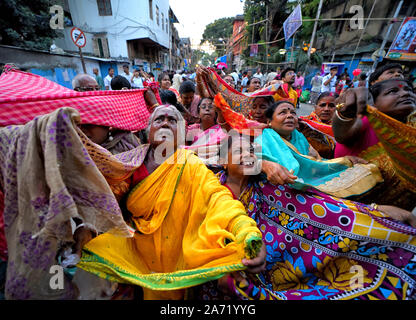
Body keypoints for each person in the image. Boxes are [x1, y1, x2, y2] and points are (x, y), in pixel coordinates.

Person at [76, 105, 265, 300]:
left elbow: (217, 197)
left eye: (172, 120)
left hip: (179, 265)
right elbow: (104, 205)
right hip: (132, 258)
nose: (165, 122)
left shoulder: (191, 164)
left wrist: (246, 230)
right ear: (147, 130)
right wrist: (87, 227)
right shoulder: (127, 163)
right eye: (159, 119)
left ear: (182, 133)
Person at [195, 134, 416, 300]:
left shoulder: (270, 187)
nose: (248, 156)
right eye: (239, 151)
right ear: (223, 161)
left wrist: (376, 213)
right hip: (224, 272)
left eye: (251, 151)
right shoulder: (209, 188)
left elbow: (324, 209)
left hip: (278, 268)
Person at [255, 100, 382, 199]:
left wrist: (344, 161)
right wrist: (264, 165)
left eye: (293, 113)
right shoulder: (262, 139)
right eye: (283, 112)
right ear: (269, 121)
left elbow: (316, 162)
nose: (289, 116)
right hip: (278, 192)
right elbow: (246, 163)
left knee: (366, 170)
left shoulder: (299, 138)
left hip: (307, 184)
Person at [332, 78, 416, 211]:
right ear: (373, 102)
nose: (406, 94)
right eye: (393, 91)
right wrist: (344, 113)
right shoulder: (364, 122)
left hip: (402, 222)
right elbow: (341, 133)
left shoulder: (412, 131)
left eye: (409, 90)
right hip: (353, 214)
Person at [298, 92, 338, 159]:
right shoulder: (303, 124)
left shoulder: (340, 128)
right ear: (315, 107)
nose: (326, 109)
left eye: (331, 106)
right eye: (322, 105)